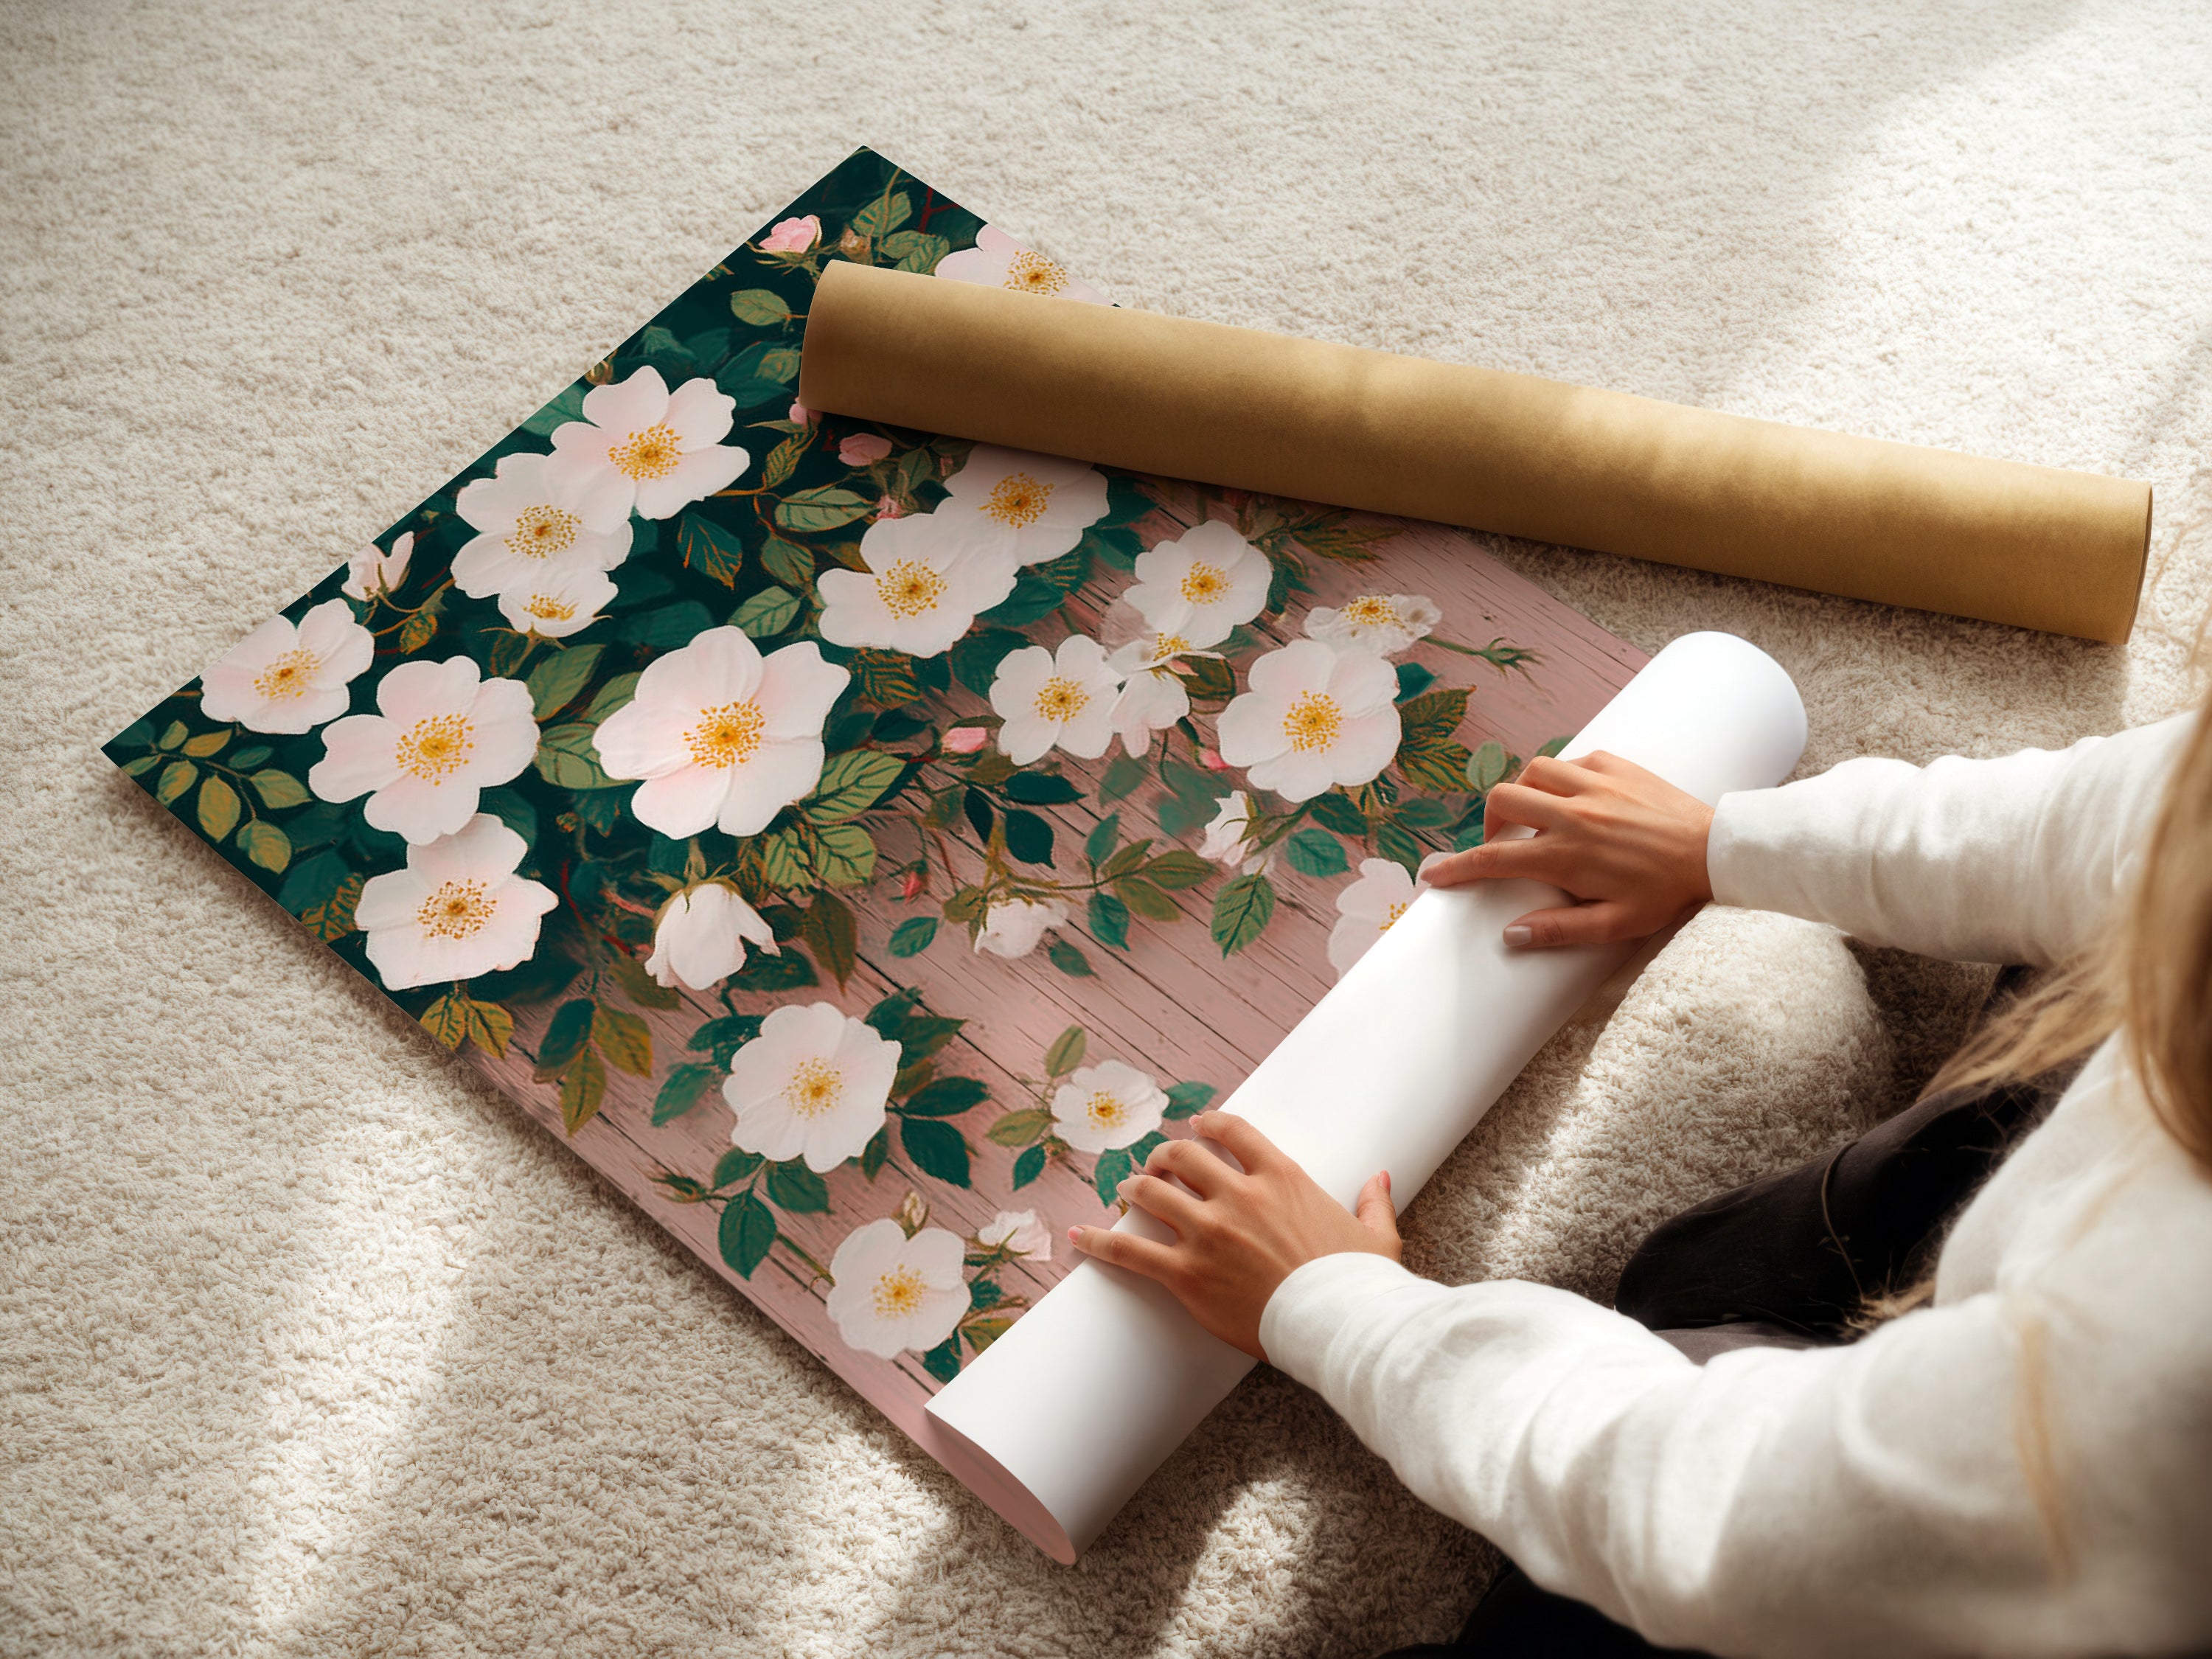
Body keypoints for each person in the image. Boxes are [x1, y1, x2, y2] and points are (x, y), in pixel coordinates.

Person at [1068, 703, 2212, 1657]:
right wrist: (1722, 841)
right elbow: (2122, 818)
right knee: (1697, 1278)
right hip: (2068, 1317)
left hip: (2053, 1560)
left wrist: (1337, 1307)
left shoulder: (2156, 1378)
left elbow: (1715, 1511)